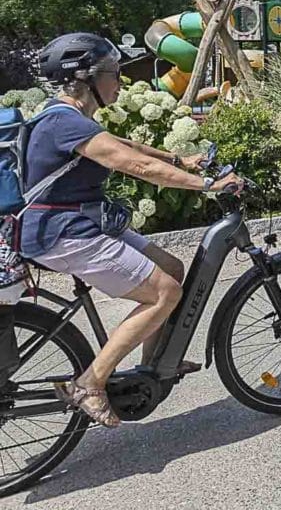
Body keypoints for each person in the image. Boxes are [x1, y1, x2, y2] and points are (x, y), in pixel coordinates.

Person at [22, 33, 240, 427]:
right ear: (87, 78)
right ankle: (90, 383)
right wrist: (207, 186)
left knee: (171, 268)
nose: (119, 81)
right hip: (62, 232)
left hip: (79, 223)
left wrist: (180, 158)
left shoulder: (67, 117)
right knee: (165, 292)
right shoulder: (63, 121)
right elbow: (134, 165)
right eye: (113, 73)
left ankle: (155, 365)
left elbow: (123, 144)